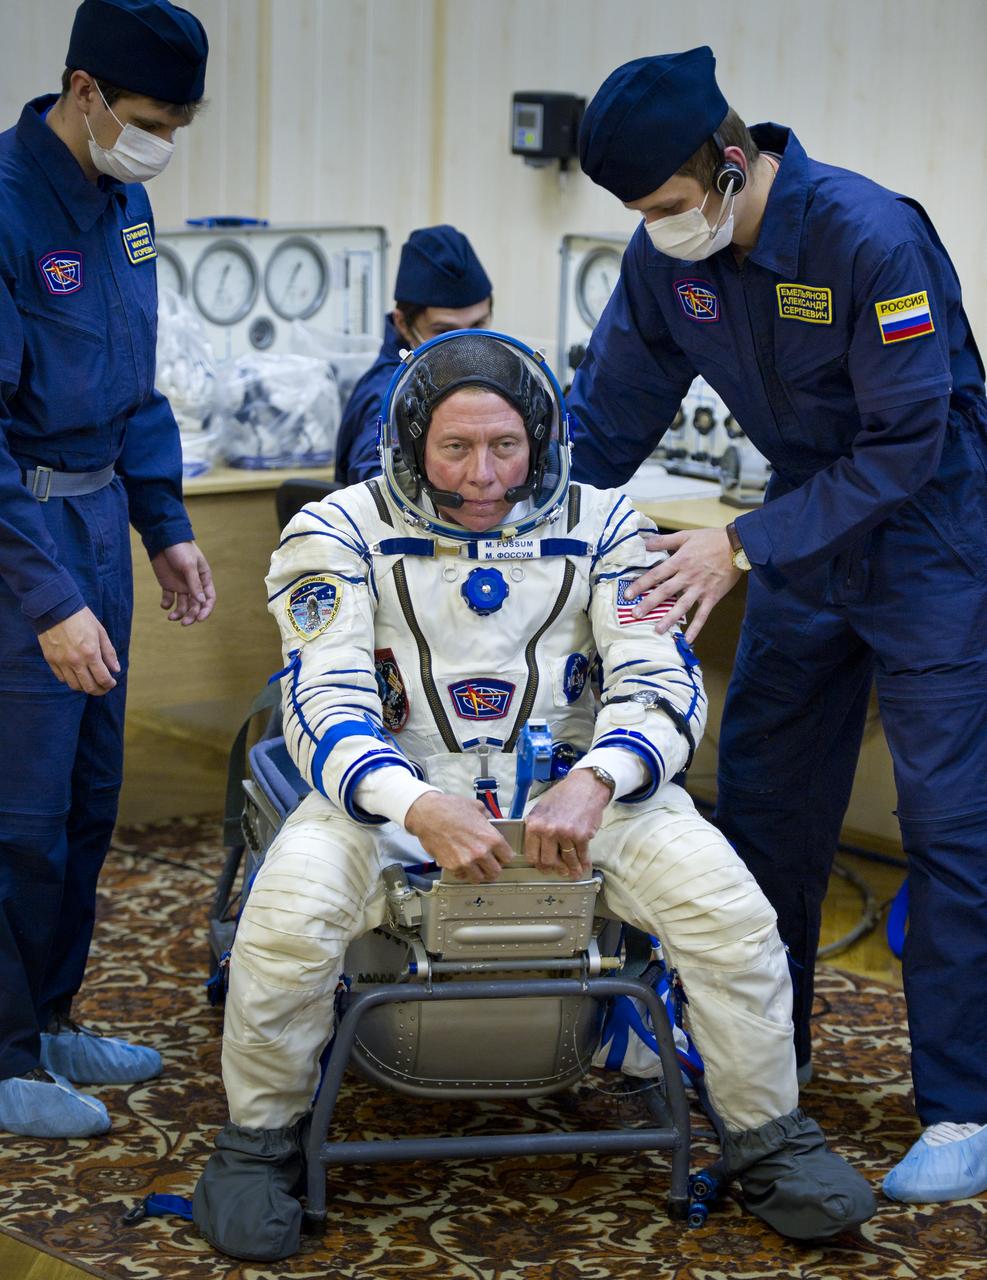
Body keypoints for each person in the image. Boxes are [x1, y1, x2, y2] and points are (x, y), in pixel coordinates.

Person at [193, 330, 873, 1262]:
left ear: (542, 441)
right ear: (409, 445)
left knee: (731, 917)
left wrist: (597, 779)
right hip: (395, 800)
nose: (482, 477)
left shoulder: (608, 526)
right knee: (284, 922)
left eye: (504, 447)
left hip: (585, 796)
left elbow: (660, 682)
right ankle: (257, 1146)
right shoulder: (336, 530)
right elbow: (321, 702)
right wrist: (413, 803)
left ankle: (768, 1140)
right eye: (456, 449)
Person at [569, 46, 987, 1204]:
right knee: (764, 803)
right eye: (637, 215)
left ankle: (963, 1102)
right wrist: (521, 518)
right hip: (805, 530)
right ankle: (766, 1059)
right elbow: (609, 416)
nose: (655, 230)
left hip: (928, 538)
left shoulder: (867, 236)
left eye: (665, 205)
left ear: (730, 161)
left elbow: (908, 446)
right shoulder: (672, 259)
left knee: (950, 825)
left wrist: (741, 543)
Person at [0, 0, 215, 1140]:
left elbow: (136, 380)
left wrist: (165, 520)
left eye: (182, 121)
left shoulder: (125, 204)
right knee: (15, 812)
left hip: (98, 528)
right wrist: (48, 599)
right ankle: (0, 1050)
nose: (162, 141)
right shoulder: (1, 205)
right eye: (146, 119)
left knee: (87, 803)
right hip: (18, 544)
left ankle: (50, 1014)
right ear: (83, 91)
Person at [333, 223, 493, 485]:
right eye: (444, 331)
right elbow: (377, 483)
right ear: (403, 324)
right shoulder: (389, 395)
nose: (466, 346)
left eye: (477, 326)